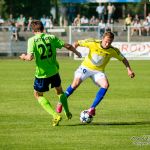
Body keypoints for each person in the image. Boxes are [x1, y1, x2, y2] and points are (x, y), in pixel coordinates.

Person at [56, 31, 135, 118]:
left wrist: (129, 70)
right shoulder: (93, 42)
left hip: (98, 71)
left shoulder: (113, 50)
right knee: (75, 84)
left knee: (105, 85)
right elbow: (77, 42)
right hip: (85, 67)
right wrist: (74, 48)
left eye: (110, 42)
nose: (107, 43)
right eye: (106, 41)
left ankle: (92, 108)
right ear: (102, 39)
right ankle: (61, 102)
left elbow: (123, 59)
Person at [19, 20, 82, 126]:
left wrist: (23, 57)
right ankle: (67, 111)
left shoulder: (32, 40)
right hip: (54, 71)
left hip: (42, 74)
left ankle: (55, 115)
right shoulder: (51, 37)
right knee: (60, 91)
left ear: (33, 30)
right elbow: (67, 46)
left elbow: (30, 57)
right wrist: (76, 52)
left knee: (37, 95)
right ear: (43, 28)